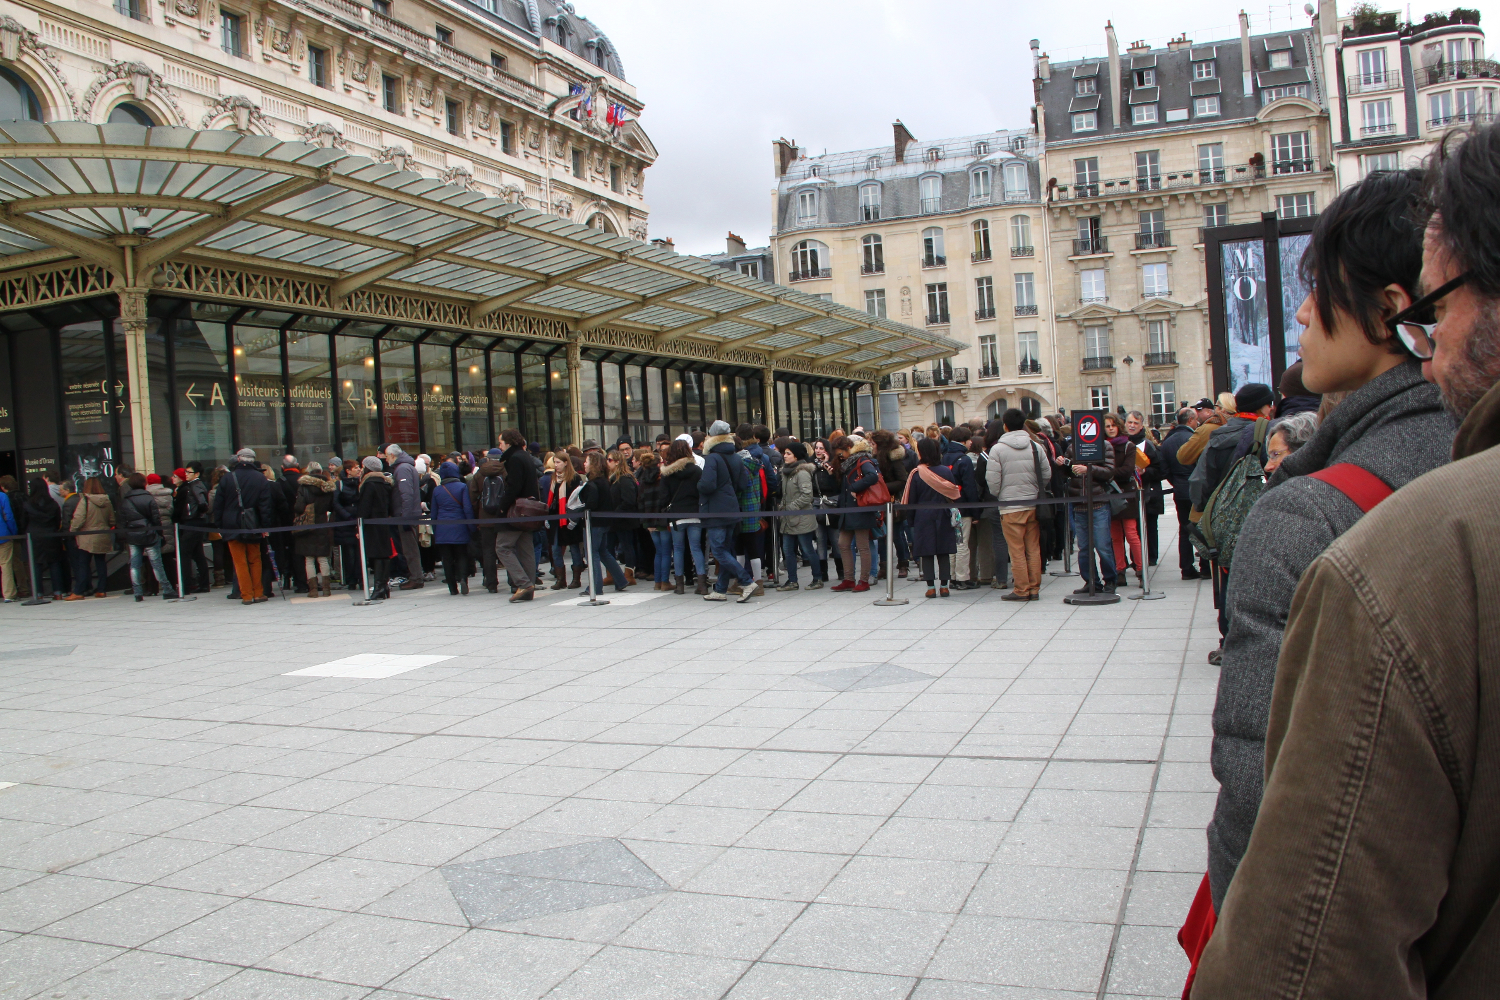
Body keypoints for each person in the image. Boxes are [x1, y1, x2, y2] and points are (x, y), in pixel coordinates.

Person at [1189, 124, 1500, 1000]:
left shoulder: (1306, 516)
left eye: (1313, 290)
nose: (1296, 315)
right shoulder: (1461, 455)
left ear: (1390, 311)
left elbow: (1264, 816)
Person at [987, 408, 1046, 601]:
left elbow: (993, 481)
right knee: (1033, 548)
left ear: (1005, 425)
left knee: (1016, 550)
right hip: (1033, 503)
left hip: (1010, 505)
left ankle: (1021, 589)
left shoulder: (997, 449)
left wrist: (1000, 495)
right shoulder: (1036, 446)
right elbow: (1045, 474)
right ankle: (1034, 588)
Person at [699, 419, 760, 602]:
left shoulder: (711, 458)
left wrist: (699, 485)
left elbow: (707, 485)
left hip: (716, 510)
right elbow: (742, 483)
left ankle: (746, 581)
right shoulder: (736, 456)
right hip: (732, 507)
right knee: (725, 550)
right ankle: (720, 589)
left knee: (718, 551)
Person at [1057, 419, 1117, 593]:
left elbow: (1109, 472)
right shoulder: (1072, 447)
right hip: (1078, 502)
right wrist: (1061, 464)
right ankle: (1091, 581)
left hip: (1099, 501)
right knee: (1084, 547)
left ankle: (1110, 580)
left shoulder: (1104, 446)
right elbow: (1066, 473)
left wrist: (1088, 470)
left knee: (1102, 545)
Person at [212, 447, 274, 605]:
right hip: (253, 524)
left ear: (238, 459)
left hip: (231, 523)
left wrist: (219, 525)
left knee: (239, 561)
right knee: (255, 559)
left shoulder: (227, 478)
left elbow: (218, 504)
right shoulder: (260, 478)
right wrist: (265, 526)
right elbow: (265, 506)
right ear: (253, 460)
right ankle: (258, 592)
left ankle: (246, 595)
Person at [903, 437, 959, 598]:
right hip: (943, 512)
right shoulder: (945, 471)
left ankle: (930, 587)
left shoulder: (916, 473)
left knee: (926, 552)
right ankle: (944, 586)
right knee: (944, 551)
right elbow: (953, 493)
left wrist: (911, 520)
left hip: (923, 514)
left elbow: (911, 499)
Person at [493, 429, 540, 602]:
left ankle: (524, 583)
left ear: (508, 442)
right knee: (525, 547)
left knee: (502, 547)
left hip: (516, 509)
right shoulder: (525, 456)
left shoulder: (514, 459)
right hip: (528, 509)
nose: (499, 446)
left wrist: (501, 509)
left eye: (501, 442)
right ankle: (529, 585)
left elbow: (513, 487)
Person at [830, 434, 880, 593]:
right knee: (843, 544)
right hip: (848, 508)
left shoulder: (862, 460)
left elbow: (873, 476)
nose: (839, 456)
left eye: (840, 453)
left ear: (847, 449)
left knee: (862, 545)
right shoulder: (848, 462)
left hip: (859, 507)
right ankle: (849, 579)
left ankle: (863, 580)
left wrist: (855, 488)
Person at [1104, 413, 1146, 590]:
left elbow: (1128, 470)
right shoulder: (1102, 446)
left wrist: (1107, 472)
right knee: (1115, 536)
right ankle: (1120, 569)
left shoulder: (1128, 445)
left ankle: (1141, 569)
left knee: (1131, 533)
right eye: (1107, 426)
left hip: (1126, 492)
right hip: (1110, 492)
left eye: (1113, 425)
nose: (1111, 428)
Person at [118, 472, 176, 601]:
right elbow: (156, 518)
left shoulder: (126, 500)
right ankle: (167, 589)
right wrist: (160, 534)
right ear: (144, 483)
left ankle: (138, 592)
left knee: (135, 565)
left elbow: (122, 520)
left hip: (133, 535)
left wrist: (123, 535)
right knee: (156, 564)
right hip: (149, 533)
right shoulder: (148, 498)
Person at [1159, 408, 1202, 580]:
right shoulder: (1193, 439)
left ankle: (1186, 567)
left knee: (1184, 529)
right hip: (1196, 489)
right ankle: (1205, 565)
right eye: (1196, 420)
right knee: (1201, 527)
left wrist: (1176, 482)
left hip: (1179, 489)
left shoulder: (1168, 442)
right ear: (1190, 420)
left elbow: (1164, 469)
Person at [576, 452, 627, 597]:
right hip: (604, 522)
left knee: (592, 554)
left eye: (586, 462)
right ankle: (620, 580)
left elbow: (591, 503)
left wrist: (580, 509)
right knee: (603, 551)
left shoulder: (593, 484)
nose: (584, 464)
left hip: (595, 523)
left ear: (593, 465)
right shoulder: (604, 481)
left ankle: (596, 586)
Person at [775, 441, 824, 591]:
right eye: (785, 453)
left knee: (807, 549)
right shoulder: (786, 472)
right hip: (787, 518)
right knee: (788, 550)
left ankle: (817, 578)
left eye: (789, 453)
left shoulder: (802, 472)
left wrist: (790, 507)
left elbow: (806, 496)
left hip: (801, 517)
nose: (785, 455)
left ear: (796, 456)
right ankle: (792, 580)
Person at [661, 438, 706, 594]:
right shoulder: (696, 470)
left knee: (678, 549)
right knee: (696, 548)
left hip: (676, 515)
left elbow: (664, 498)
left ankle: (679, 585)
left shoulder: (668, 473)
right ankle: (702, 584)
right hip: (695, 513)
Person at [940, 426, 980, 589]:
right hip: (963, 507)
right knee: (963, 543)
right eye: (969, 439)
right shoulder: (964, 460)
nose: (971, 442)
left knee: (953, 543)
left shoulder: (944, 458)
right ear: (964, 440)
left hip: (948, 506)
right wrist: (975, 511)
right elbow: (970, 487)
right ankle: (962, 577)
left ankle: (953, 576)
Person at [290, 462, 337, 597]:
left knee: (309, 559)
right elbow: (332, 506)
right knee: (323, 558)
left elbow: (299, 507)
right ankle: (327, 588)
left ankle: (313, 589)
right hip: (323, 523)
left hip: (307, 525)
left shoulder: (303, 487)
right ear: (321, 471)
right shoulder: (328, 487)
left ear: (309, 472)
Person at [427, 459, 473, 596]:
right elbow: (467, 509)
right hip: (460, 526)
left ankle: (452, 587)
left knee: (447, 559)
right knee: (461, 555)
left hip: (442, 527)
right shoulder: (462, 487)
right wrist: (472, 527)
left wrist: (435, 530)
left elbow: (434, 513)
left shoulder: (437, 490)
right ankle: (463, 578)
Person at [1125, 411, 1165, 567]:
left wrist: (1145, 472)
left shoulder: (1149, 446)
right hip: (1129, 494)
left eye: (1136, 423)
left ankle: (1151, 556)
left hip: (1149, 493)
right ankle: (1136, 558)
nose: (1132, 426)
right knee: (1132, 529)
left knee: (1150, 526)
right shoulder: (1122, 443)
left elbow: (1161, 470)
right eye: (1130, 422)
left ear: (1141, 426)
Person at [870, 429, 910, 578]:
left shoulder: (894, 458)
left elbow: (902, 480)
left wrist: (883, 487)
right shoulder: (874, 458)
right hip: (879, 500)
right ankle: (884, 566)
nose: (871, 445)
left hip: (894, 500)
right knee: (881, 535)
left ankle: (903, 563)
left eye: (873, 443)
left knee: (897, 535)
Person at [383, 445, 423, 590]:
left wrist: (405, 517)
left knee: (409, 549)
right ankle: (416, 576)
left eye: (387, 456)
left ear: (392, 455)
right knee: (409, 548)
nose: (386, 459)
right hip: (407, 513)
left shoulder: (402, 469)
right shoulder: (406, 467)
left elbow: (406, 494)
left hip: (405, 514)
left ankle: (416, 577)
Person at [355, 455, 395, 599]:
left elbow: (364, 507)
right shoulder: (385, 483)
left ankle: (379, 587)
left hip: (372, 523)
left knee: (377, 555)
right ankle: (383, 586)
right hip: (383, 522)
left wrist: (359, 524)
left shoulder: (369, 484)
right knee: (384, 555)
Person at [544, 452, 585, 590]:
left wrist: (574, 519)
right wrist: (547, 516)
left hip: (569, 518)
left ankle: (576, 578)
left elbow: (577, 500)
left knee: (574, 548)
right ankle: (561, 579)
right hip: (556, 518)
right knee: (555, 548)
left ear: (566, 462)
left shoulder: (574, 478)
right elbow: (551, 498)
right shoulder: (554, 478)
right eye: (554, 462)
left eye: (558, 462)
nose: (556, 465)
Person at [20, 477, 65, 599]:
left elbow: (23, 522)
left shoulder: (28, 504)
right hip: (51, 535)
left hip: (34, 537)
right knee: (54, 564)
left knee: (35, 565)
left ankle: (38, 593)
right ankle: (58, 592)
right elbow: (57, 521)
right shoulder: (53, 503)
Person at [170, 465, 212, 594]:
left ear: (197, 474)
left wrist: (194, 515)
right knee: (198, 554)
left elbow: (202, 504)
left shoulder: (194, 486)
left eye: (189, 472)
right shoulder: (192, 486)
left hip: (193, 522)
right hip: (194, 521)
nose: (186, 474)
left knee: (185, 554)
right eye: (186, 472)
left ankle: (186, 586)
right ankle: (204, 584)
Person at [605, 449, 639, 587]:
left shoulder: (624, 478)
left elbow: (629, 500)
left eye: (610, 460)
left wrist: (616, 513)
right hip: (613, 519)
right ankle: (612, 574)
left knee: (627, 546)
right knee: (608, 547)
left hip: (624, 519)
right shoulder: (612, 478)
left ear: (618, 462)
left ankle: (629, 574)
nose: (608, 463)